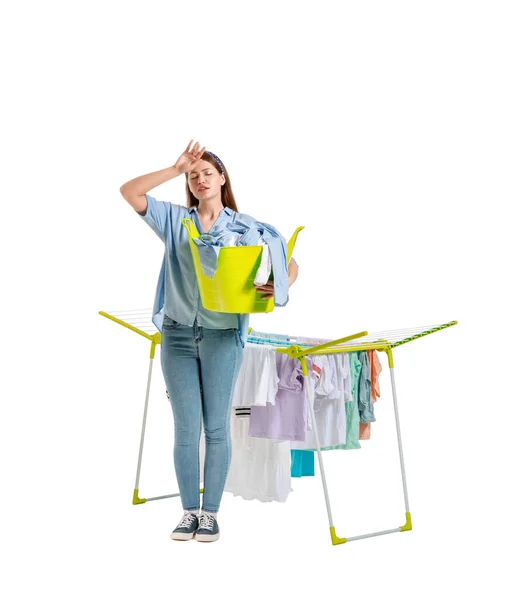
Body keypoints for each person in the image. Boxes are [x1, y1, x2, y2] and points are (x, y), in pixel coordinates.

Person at [119, 140, 299, 542]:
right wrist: (174, 167)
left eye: (206, 173)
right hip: (177, 335)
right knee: (186, 430)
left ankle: (211, 513)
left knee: (216, 428)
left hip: (222, 337)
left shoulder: (246, 227)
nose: (199, 179)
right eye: (192, 175)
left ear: (222, 178)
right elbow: (129, 192)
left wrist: (277, 283)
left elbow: (289, 261)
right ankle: (188, 512)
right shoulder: (174, 220)